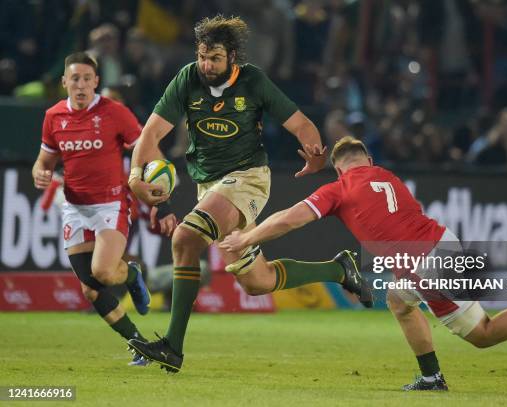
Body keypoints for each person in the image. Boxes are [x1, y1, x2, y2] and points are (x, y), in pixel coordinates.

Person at [220, 136, 507, 390]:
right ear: (368, 160)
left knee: (475, 331)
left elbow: (289, 218)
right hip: (441, 243)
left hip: (421, 261)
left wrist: (247, 237)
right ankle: (435, 373)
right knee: (411, 306)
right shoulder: (388, 176)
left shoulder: (338, 188)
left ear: (340, 169)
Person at [126, 16, 372, 373]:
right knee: (258, 281)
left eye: (215, 58)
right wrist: (135, 177)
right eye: (202, 56)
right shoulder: (187, 78)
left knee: (184, 238)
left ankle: (172, 347)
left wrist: (317, 154)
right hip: (209, 186)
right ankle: (339, 270)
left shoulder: (253, 81)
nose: (207, 65)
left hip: (247, 178)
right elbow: (149, 136)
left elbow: (301, 123)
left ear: (234, 57)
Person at [31, 52, 164, 366]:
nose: (80, 85)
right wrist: (40, 171)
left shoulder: (114, 112)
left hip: (110, 202)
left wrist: (159, 175)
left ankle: (130, 273)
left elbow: (145, 145)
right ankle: (139, 345)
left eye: (87, 79)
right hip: (75, 207)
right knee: (91, 292)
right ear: (64, 82)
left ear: (96, 83)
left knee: (103, 272)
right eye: (74, 79)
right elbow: (45, 160)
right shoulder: (53, 117)